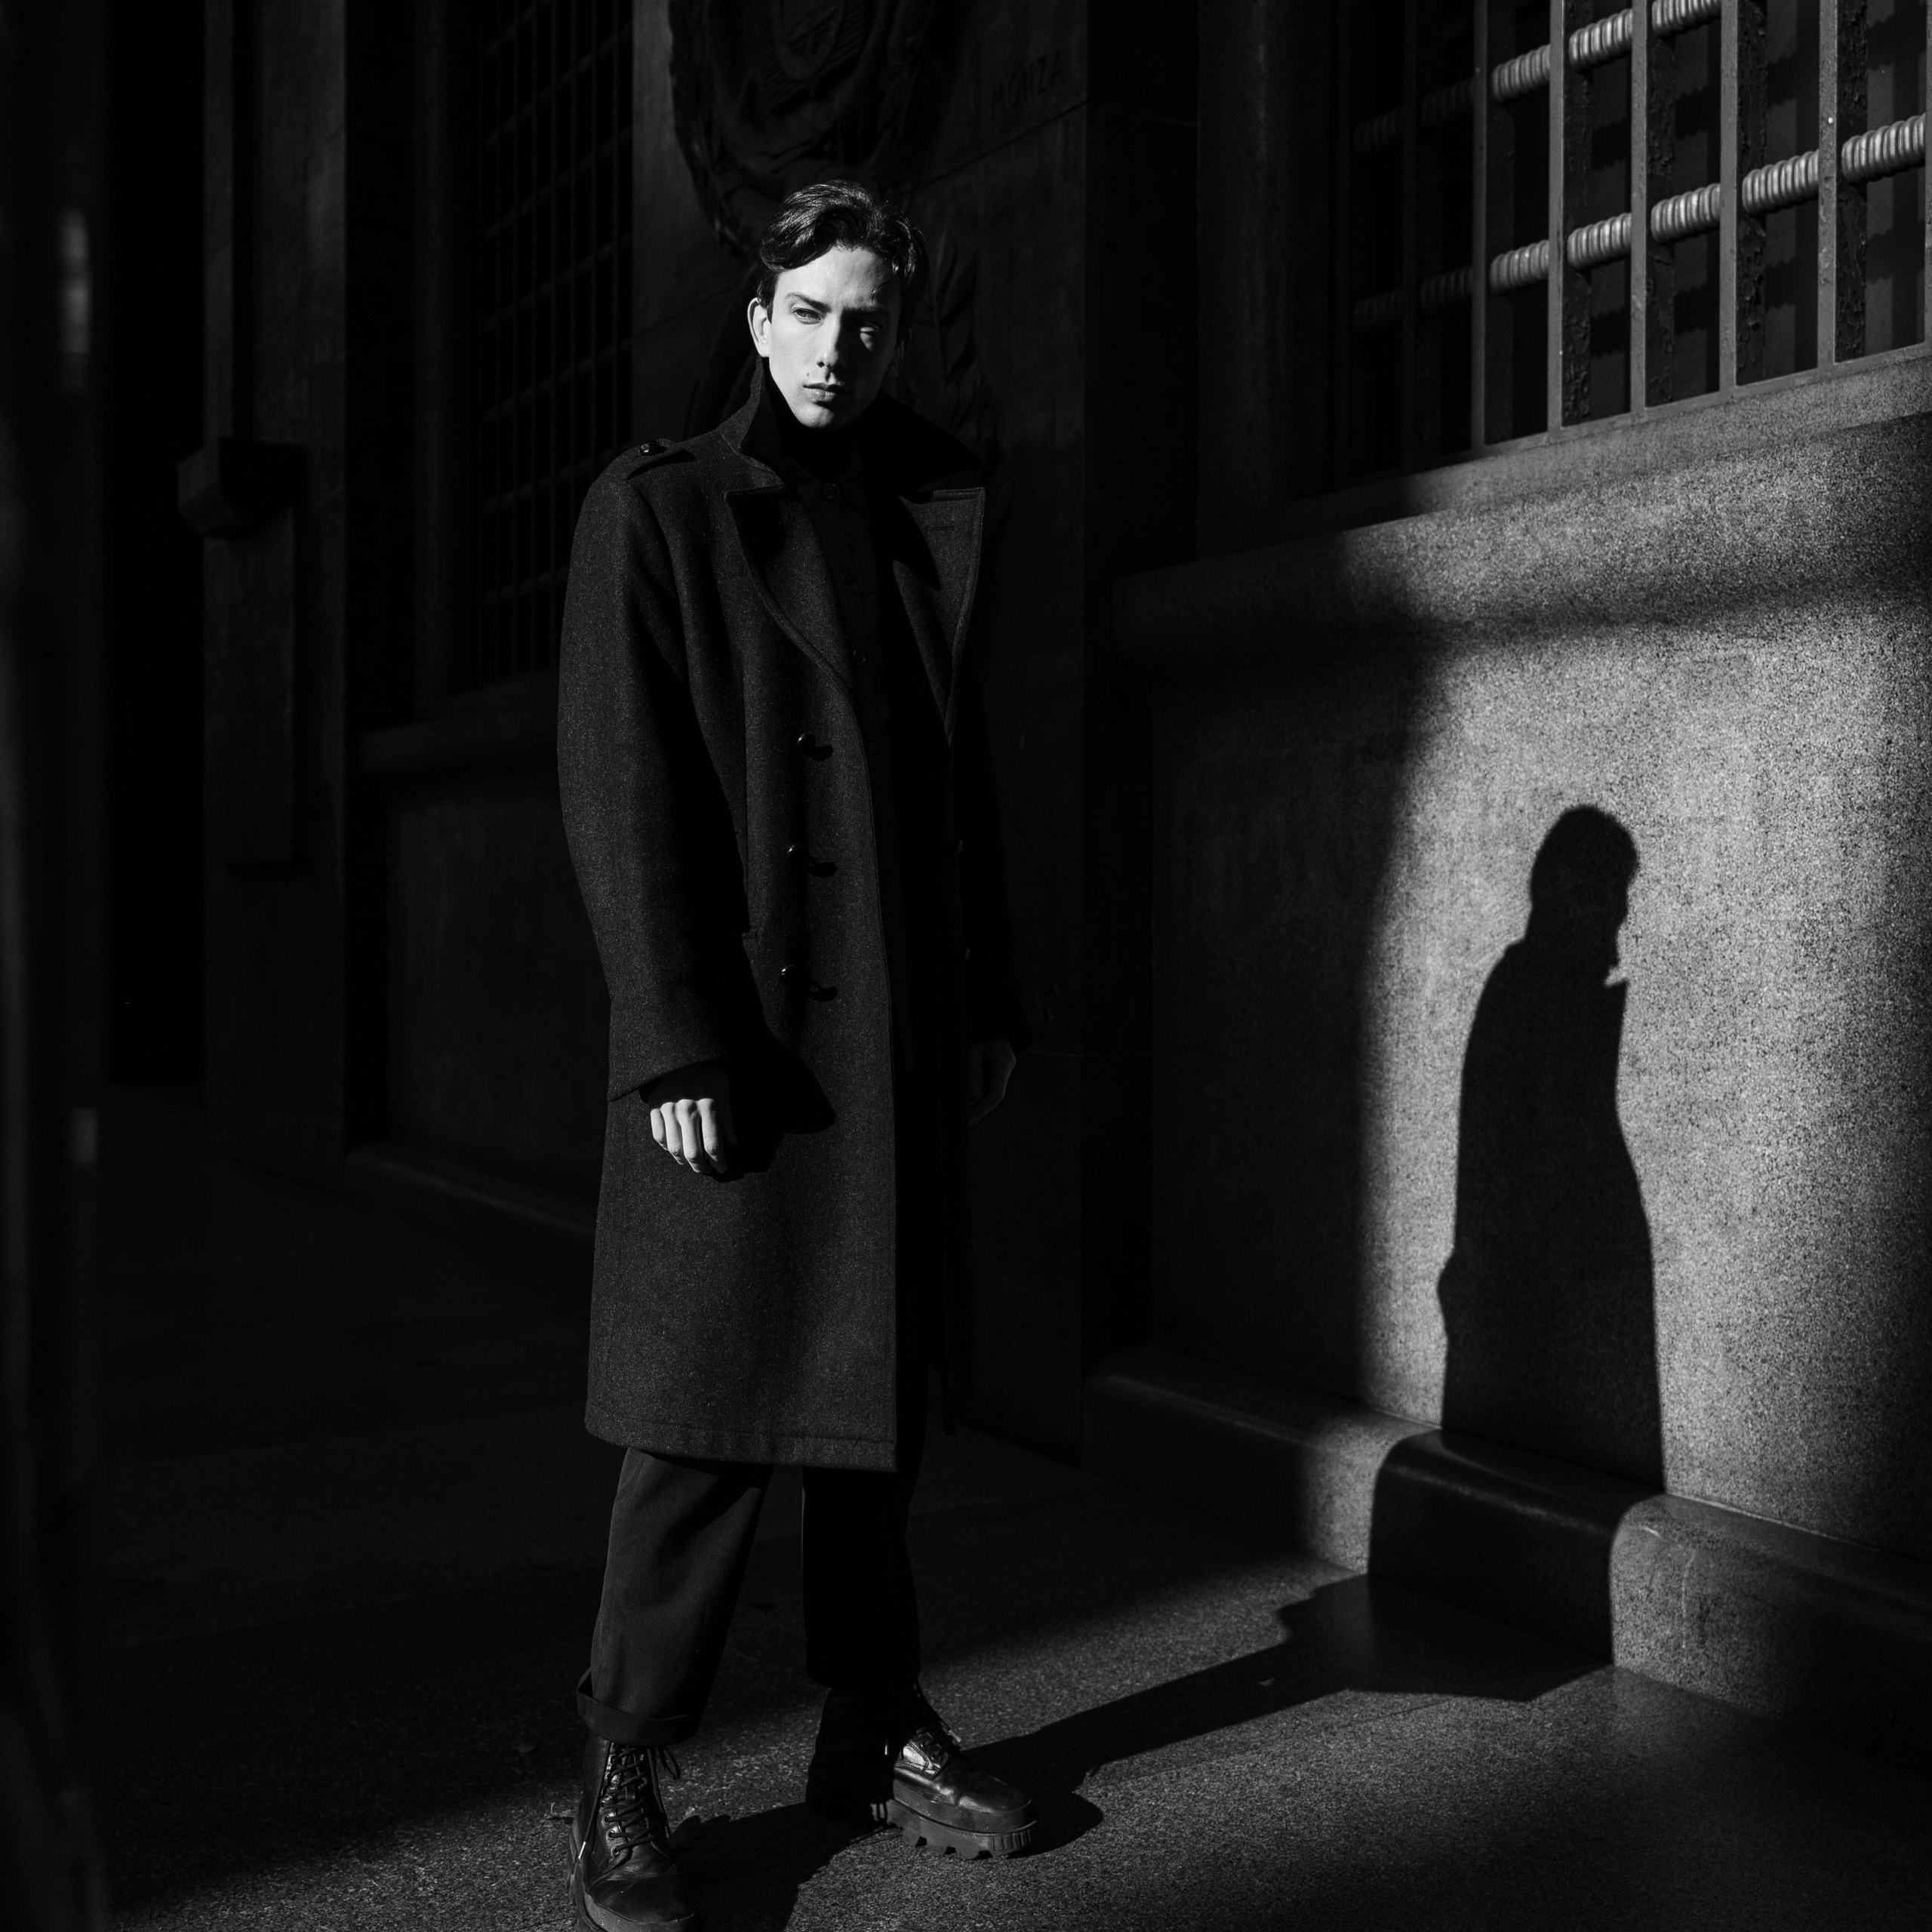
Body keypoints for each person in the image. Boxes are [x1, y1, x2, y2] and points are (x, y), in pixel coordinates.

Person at [555, 179, 1032, 1932]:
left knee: (869, 1416)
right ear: (756, 315)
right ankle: (620, 1755)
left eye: (867, 318)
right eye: (810, 311)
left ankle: (871, 1722)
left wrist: (980, 995)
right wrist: (670, 1035)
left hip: (890, 1027)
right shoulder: (658, 507)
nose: (840, 347)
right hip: (745, 1044)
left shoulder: (920, 508)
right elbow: (625, 797)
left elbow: (953, 780)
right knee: (697, 1423)